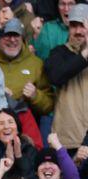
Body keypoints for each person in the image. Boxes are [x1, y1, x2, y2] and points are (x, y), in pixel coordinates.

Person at [45, 4, 88, 150]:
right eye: (73, 26)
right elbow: (56, 77)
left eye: (82, 25)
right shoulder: (58, 53)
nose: (78, 31)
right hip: (67, 141)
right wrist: (86, 53)